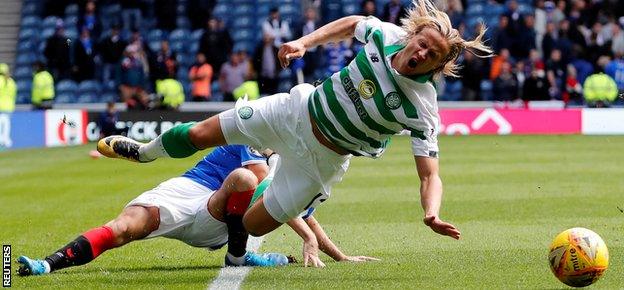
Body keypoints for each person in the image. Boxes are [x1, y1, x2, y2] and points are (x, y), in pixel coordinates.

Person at [97, 0, 492, 255]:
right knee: (200, 134)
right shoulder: (384, 36)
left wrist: (431, 212)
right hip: (296, 112)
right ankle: (143, 153)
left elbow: (430, 174)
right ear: (412, 36)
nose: (422, 54)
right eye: (422, 43)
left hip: (321, 162)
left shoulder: (422, 105)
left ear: (438, 66)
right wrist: (305, 42)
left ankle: (249, 194)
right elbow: (354, 21)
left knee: (249, 225)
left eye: (432, 56)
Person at [18, 145, 376, 275]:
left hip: (216, 210)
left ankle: (237, 257)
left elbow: (288, 203)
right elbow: (269, 187)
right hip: (183, 191)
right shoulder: (259, 133)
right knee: (123, 227)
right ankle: (47, 264)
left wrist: (337, 254)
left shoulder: (288, 154)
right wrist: (309, 238)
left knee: (241, 180)